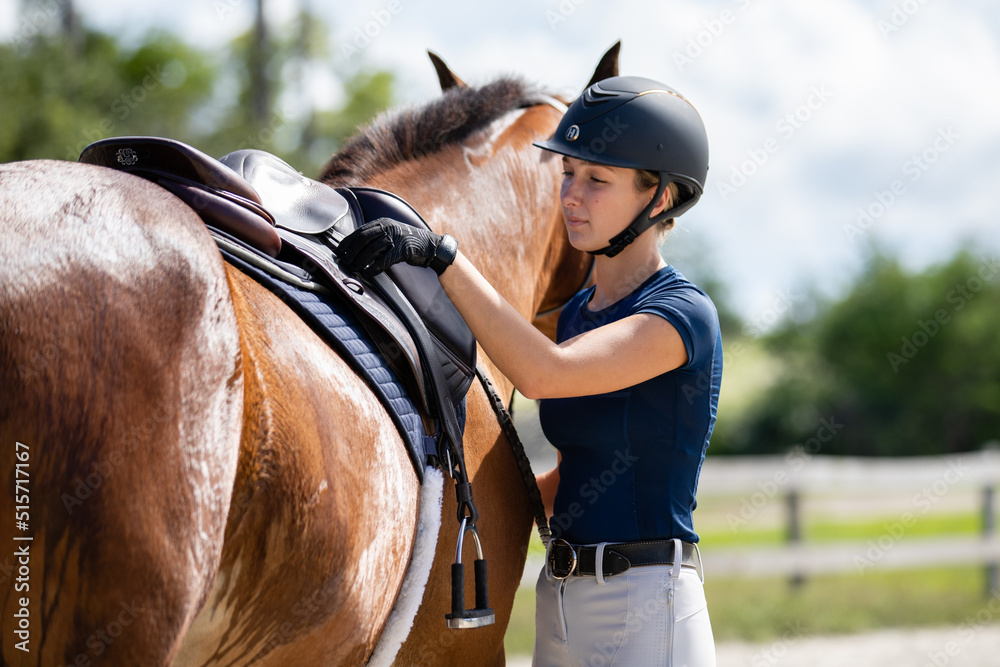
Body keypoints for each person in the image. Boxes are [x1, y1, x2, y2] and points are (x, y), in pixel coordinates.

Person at [336, 76, 721, 667]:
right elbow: (570, 478)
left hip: (646, 602)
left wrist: (443, 256)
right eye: (567, 174)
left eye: (597, 180)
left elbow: (544, 374)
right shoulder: (573, 315)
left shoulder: (681, 315)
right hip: (560, 592)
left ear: (660, 198)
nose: (570, 194)